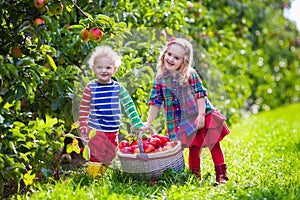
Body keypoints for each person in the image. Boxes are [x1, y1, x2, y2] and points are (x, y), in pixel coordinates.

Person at [142, 38, 230, 185]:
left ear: (183, 62)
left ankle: (221, 176)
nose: (171, 59)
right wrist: (148, 122)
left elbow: (200, 94)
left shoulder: (190, 74)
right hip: (182, 121)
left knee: (214, 144)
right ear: (164, 54)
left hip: (202, 114)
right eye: (169, 54)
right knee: (193, 148)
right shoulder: (159, 79)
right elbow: (155, 102)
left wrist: (202, 115)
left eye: (176, 58)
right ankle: (195, 177)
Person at [78, 45, 144, 178]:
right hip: (96, 130)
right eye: (100, 67)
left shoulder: (118, 88)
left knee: (109, 156)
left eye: (108, 67)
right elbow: (84, 109)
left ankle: (99, 176)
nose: (104, 70)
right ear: (93, 69)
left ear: (114, 69)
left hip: (113, 131)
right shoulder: (90, 88)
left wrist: (136, 122)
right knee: (97, 155)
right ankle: (92, 178)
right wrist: (83, 126)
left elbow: (129, 104)